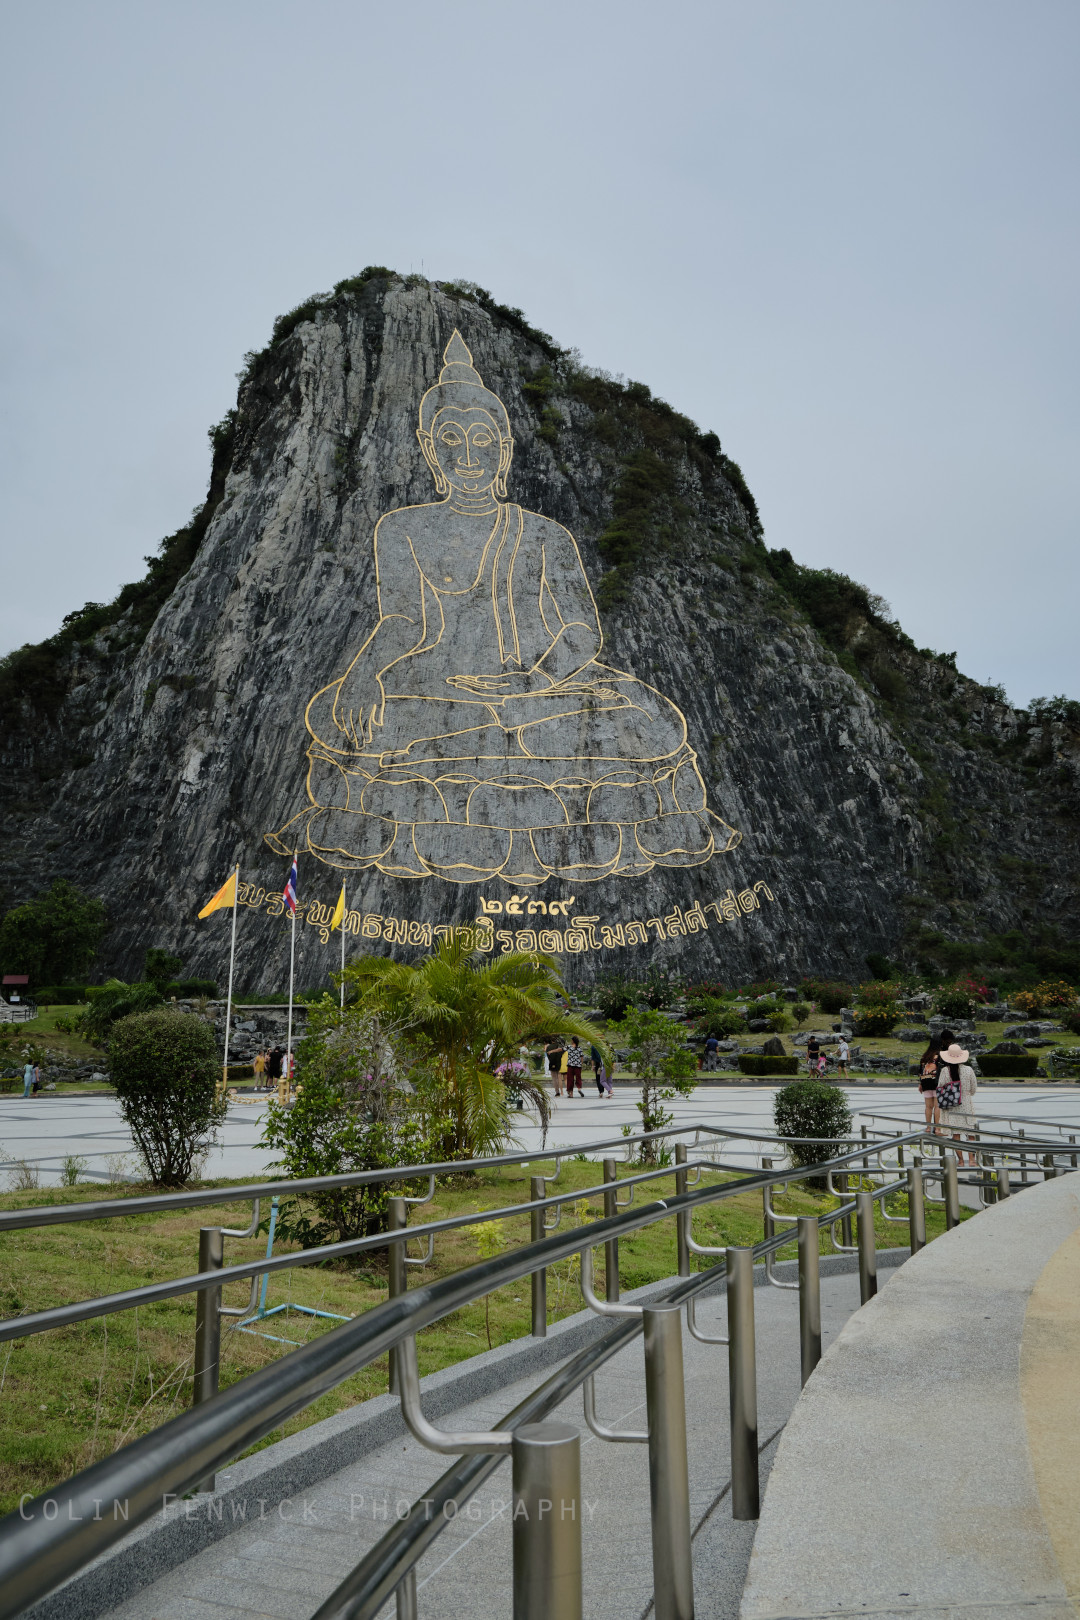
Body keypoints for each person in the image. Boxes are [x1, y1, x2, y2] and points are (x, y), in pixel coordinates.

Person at [269, 330, 740, 886]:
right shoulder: (403, 528)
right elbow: (405, 621)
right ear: (429, 447)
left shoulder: (544, 533)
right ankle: (492, 752)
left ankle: (487, 753)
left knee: (646, 722)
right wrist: (363, 673)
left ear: (504, 448)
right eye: (451, 439)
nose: (468, 455)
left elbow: (583, 632)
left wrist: (533, 682)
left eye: (482, 440)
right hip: (440, 688)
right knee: (343, 714)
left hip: (543, 692)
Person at [936, 1042, 978, 1165]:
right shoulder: (968, 1070)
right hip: (966, 1105)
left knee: (956, 1135)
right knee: (970, 1135)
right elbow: (973, 1088)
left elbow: (940, 1087)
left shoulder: (945, 1071)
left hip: (952, 1106)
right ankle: (972, 1159)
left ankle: (960, 1160)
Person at [917, 1036, 943, 1130]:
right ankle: (937, 1129)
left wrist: (920, 1083)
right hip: (936, 1083)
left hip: (925, 1083)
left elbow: (920, 1071)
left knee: (928, 1107)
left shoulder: (925, 1056)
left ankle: (928, 1127)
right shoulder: (940, 1056)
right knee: (937, 1106)